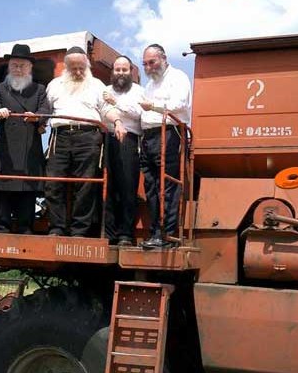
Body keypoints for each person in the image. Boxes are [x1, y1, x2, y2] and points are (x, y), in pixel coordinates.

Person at [45, 46, 126, 237]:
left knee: (86, 185)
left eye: (82, 67)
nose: (78, 72)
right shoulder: (54, 85)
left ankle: (79, 231)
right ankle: (56, 228)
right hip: (60, 137)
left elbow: (107, 110)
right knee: (52, 183)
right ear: (66, 67)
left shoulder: (97, 85)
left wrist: (118, 121)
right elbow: (45, 109)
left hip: (89, 137)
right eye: (74, 68)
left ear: (87, 66)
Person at [0, 43, 50, 234]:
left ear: (29, 68)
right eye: (14, 65)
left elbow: (45, 110)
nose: (18, 69)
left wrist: (37, 117)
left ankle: (26, 226)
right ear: (9, 67)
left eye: (22, 65)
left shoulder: (39, 89)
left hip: (30, 145)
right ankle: (2, 227)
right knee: (4, 185)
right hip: (7, 145)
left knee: (28, 187)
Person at [138, 44, 192, 248]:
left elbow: (180, 106)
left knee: (168, 185)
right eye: (145, 64)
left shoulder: (178, 78)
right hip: (149, 136)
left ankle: (167, 235)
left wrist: (152, 106)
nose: (149, 67)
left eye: (152, 62)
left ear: (164, 58)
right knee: (151, 186)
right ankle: (155, 233)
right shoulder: (149, 85)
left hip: (169, 134)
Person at [102, 55, 144, 246]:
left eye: (124, 70)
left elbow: (137, 113)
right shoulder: (105, 90)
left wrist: (115, 103)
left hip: (129, 139)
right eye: (117, 70)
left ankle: (126, 234)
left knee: (127, 187)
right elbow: (101, 111)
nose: (120, 73)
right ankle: (109, 234)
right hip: (106, 139)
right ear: (113, 71)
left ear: (131, 72)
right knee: (107, 187)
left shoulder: (139, 91)